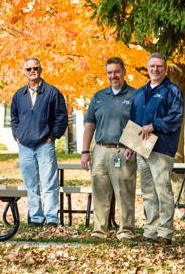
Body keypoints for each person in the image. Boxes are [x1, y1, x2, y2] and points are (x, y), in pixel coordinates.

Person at [128, 52, 184, 244]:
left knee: (163, 191)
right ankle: (151, 230)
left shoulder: (172, 91)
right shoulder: (140, 93)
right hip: (142, 147)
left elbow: (175, 118)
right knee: (148, 192)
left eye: (159, 66)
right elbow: (134, 120)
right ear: (147, 68)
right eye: (152, 66)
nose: (155, 69)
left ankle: (165, 232)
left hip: (161, 148)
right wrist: (131, 145)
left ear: (165, 68)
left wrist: (154, 125)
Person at [81, 57, 137, 240]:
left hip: (123, 150)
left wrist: (132, 146)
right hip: (100, 151)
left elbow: (140, 123)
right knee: (100, 191)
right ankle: (99, 230)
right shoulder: (99, 97)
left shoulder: (135, 96)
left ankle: (126, 230)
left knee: (124, 192)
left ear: (124, 72)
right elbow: (89, 124)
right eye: (110, 72)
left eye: (117, 71)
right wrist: (85, 151)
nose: (113, 75)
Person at [11, 57, 68, 227]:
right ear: (24, 71)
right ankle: (36, 217)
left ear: (41, 69)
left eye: (35, 68)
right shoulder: (19, 95)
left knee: (49, 183)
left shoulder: (52, 92)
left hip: (45, 145)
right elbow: (14, 118)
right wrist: (17, 135)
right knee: (31, 184)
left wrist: (53, 136)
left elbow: (61, 117)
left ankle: (51, 218)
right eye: (28, 69)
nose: (32, 71)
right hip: (25, 147)